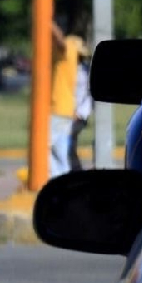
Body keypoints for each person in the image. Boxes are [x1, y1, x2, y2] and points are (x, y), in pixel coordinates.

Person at [49, 21, 86, 179]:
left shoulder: (66, 54)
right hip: (66, 110)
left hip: (57, 109)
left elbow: (59, 40)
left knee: (44, 149)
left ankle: (55, 181)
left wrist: (47, 22)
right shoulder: (74, 67)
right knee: (62, 153)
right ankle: (61, 183)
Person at [68, 54, 93, 171]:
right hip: (65, 113)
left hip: (79, 115)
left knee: (69, 144)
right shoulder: (66, 68)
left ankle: (75, 170)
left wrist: (79, 113)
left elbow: (89, 96)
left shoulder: (85, 71)